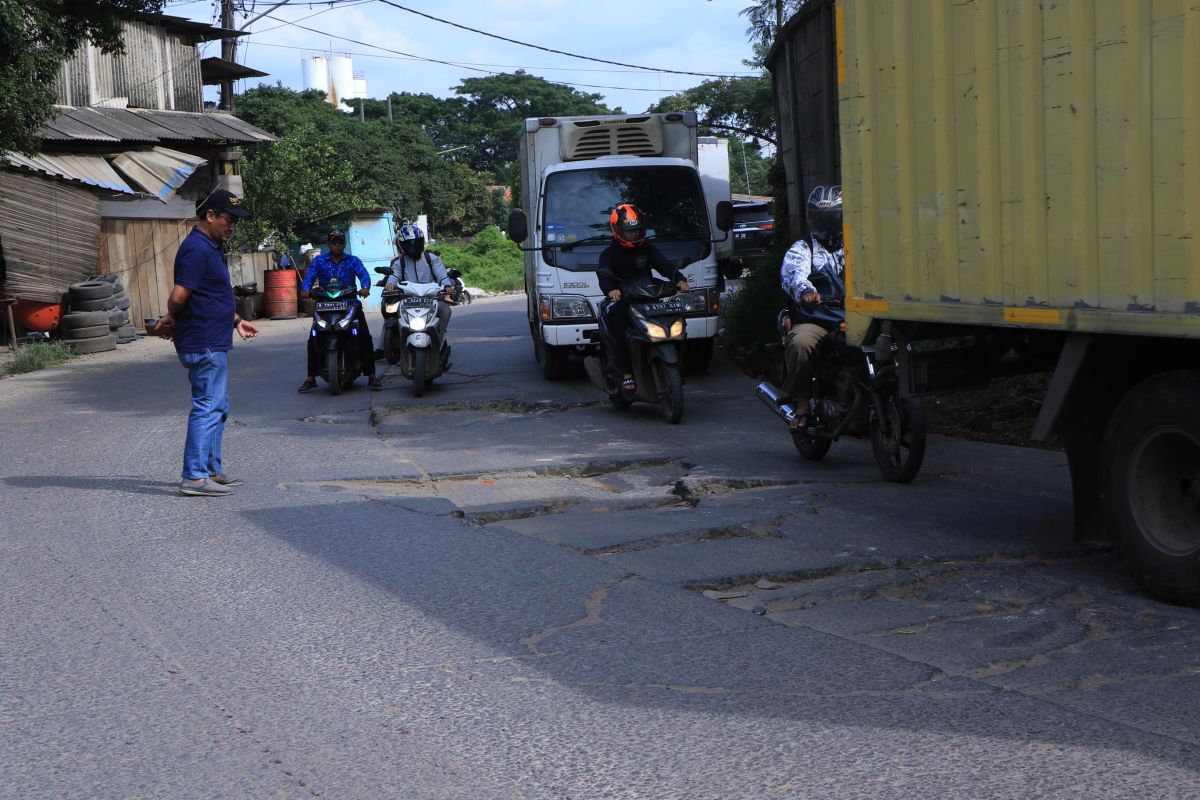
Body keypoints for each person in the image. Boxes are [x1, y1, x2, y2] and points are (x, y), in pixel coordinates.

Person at [154, 188, 259, 497]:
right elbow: (179, 296)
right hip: (203, 342)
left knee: (218, 406)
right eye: (229, 220)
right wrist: (172, 317)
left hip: (212, 337)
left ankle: (211, 469)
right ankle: (195, 476)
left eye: (235, 222)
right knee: (207, 406)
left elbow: (210, 296)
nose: (232, 227)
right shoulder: (197, 249)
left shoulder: (211, 247)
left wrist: (237, 321)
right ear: (210, 216)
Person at [597, 203, 690, 392]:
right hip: (624, 300)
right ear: (618, 230)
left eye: (637, 230)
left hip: (648, 297)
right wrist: (611, 290)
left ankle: (677, 368)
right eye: (629, 231)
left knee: (678, 321)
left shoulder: (647, 247)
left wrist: (679, 279)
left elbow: (663, 264)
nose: (634, 234)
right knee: (617, 325)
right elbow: (604, 275)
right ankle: (626, 373)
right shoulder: (609, 253)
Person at [779, 185, 846, 429]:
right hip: (816, 318)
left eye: (833, 218)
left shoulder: (856, 244)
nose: (827, 224)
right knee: (800, 344)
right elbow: (794, 273)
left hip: (854, 316)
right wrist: (806, 291)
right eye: (821, 218)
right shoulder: (803, 248)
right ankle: (803, 405)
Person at [297, 229, 382, 392]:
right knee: (313, 337)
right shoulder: (319, 261)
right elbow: (309, 277)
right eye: (334, 242)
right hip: (324, 304)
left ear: (344, 244)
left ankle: (371, 375)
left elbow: (364, 274)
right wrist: (306, 289)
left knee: (364, 336)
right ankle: (311, 377)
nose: (337, 245)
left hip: (349, 303)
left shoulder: (353, 260)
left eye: (340, 242)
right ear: (328, 244)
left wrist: (365, 287)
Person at [384, 223, 455, 341]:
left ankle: (439, 338)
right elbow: (394, 275)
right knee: (391, 315)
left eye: (416, 242)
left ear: (421, 241)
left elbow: (442, 275)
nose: (414, 246)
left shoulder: (431, 258)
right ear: (402, 245)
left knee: (445, 310)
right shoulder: (399, 262)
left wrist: (447, 285)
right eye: (409, 243)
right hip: (407, 300)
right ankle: (398, 343)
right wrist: (390, 283)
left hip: (431, 299)